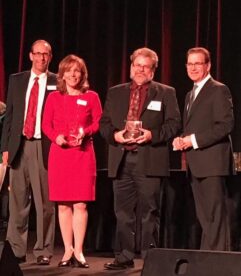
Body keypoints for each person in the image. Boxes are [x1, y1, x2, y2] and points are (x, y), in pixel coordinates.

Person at [100, 47, 181, 270]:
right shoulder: (116, 92)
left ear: (153, 70)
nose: (140, 70)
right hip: (122, 160)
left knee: (149, 212)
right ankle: (124, 256)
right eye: (137, 65)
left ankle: (150, 259)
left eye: (145, 66)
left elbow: (174, 124)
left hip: (150, 160)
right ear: (131, 67)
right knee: (123, 213)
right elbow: (104, 124)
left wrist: (152, 135)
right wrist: (115, 135)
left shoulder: (166, 92)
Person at [42, 54, 102, 268]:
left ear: (82, 73)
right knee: (63, 204)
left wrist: (86, 132)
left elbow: (98, 122)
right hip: (60, 154)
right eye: (69, 70)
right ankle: (67, 249)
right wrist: (55, 136)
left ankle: (79, 250)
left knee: (80, 203)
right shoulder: (53, 97)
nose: (73, 74)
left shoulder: (92, 96)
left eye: (77, 70)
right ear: (62, 74)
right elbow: (45, 125)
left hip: (83, 154)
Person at [172, 47, 234, 251]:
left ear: (208, 66)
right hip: (196, 163)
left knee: (215, 216)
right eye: (189, 64)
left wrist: (193, 140)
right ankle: (209, 258)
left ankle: (217, 262)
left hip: (213, 163)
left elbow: (225, 125)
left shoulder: (219, 89)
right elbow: (193, 127)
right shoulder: (190, 94)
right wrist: (181, 140)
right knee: (205, 216)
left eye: (197, 63)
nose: (193, 67)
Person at [0, 40, 56, 264]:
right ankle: (16, 250)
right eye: (38, 54)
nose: (42, 58)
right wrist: (5, 147)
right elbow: (10, 116)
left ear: (50, 57)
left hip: (43, 146)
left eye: (46, 54)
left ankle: (43, 250)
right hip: (18, 145)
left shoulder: (56, 82)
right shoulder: (17, 79)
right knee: (17, 201)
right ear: (30, 56)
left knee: (44, 202)